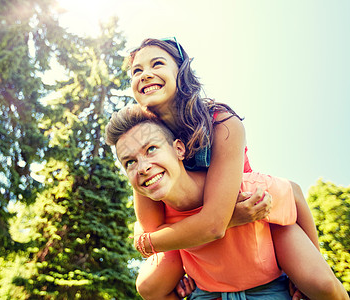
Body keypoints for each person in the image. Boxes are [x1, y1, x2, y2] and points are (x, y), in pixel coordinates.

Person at [109, 38, 348, 299]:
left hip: (250, 211)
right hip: (193, 226)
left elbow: (287, 194)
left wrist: (146, 243)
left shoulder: (220, 122)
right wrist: (149, 240)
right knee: (147, 286)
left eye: (157, 64)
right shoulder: (141, 138)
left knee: (323, 285)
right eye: (137, 71)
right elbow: (149, 224)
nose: (145, 75)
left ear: (180, 71)